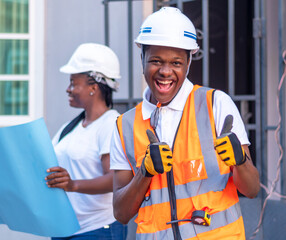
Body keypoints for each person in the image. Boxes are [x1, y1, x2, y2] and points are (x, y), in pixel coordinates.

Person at [110, 7, 260, 240]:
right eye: (156, 61)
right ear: (142, 58)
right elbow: (120, 213)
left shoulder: (216, 105)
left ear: (189, 62)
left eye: (176, 63)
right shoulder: (125, 126)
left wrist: (239, 162)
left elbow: (252, 190)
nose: (165, 72)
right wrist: (145, 172)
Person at [0, 43, 127, 240]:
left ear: (93, 87)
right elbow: (39, 170)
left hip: (96, 230)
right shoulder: (70, 128)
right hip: (64, 229)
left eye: (73, 83)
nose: (68, 89)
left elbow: (116, 179)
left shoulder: (110, 124)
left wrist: (73, 185)